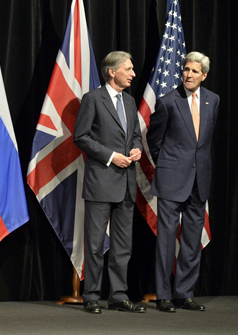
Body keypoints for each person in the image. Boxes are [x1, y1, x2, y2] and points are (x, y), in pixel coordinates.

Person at [73, 51, 145, 314]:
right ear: (112, 72)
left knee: (123, 246)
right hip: (101, 183)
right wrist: (111, 156)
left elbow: (135, 135)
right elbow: (80, 136)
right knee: (94, 245)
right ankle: (91, 295)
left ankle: (118, 295)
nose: (133, 74)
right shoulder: (93, 99)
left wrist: (136, 149)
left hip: (126, 184)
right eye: (128, 68)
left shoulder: (130, 101)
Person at [148, 52, 219, 313]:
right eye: (186, 70)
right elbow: (154, 140)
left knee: (191, 240)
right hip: (171, 180)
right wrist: (168, 165)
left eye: (194, 71)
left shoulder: (214, 100)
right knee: (166, 240)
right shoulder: (167, 102)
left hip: (200, 180)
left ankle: (184, 293)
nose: (188, 75)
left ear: (204, 75)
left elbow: (204, 143)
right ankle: (164, 295)